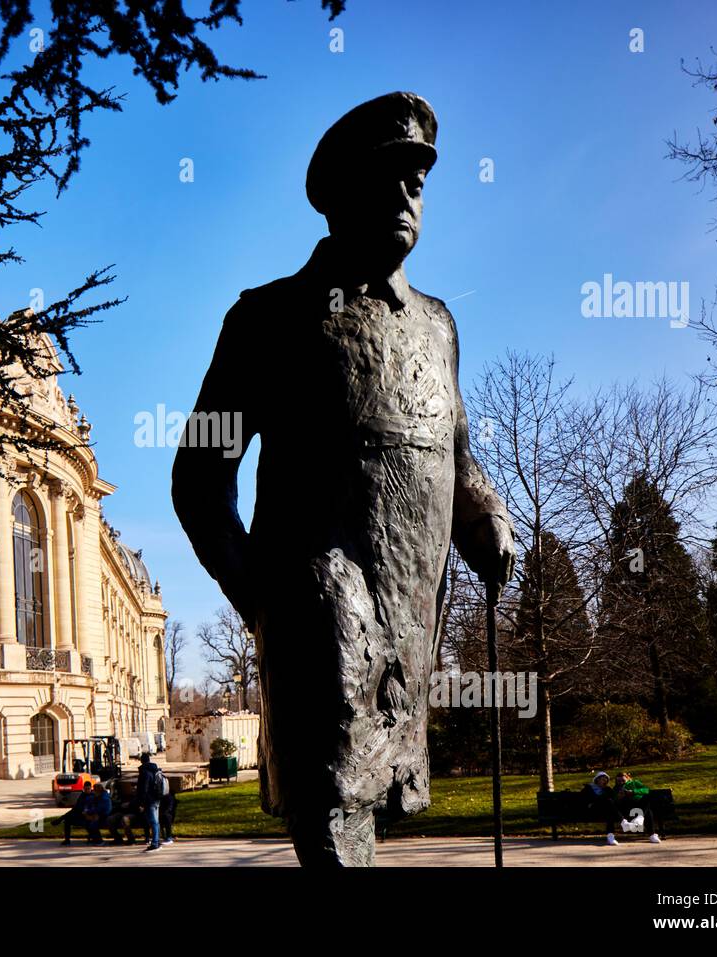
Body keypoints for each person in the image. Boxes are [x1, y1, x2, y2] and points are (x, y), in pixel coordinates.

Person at [171, 91, 516, 867]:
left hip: (407, 622)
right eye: (386, 178)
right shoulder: (270, 319)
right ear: (338, 198)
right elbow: (199, 479)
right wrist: (267, 602)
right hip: (318, 616)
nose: (405, 196)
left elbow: (455, 459)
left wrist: (486, 514)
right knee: (334, 819)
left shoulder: (438, 327)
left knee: (375, 809)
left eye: (417, 182)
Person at [614, 770, 663, 844]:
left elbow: (646, 790)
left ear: (628, 778)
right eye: (618, 781)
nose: (621, 782)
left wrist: (633, 792)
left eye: (623, 780)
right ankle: (651, 833)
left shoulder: (635, 783)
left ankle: (648, 829)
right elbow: (615, 801)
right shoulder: (616, 788)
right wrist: (619, 797)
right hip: (627, 809)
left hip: (639, 805)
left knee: (647, 802)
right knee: (648, 812)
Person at [580, 771, 624, 845]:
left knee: (610, 811)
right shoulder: (589, 788)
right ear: (597, 779)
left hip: (605, 810)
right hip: (593, 811)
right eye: (603, 779)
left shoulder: (608, 789)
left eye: (606, 780)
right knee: (608, 802)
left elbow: (614, 800)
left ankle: (610, 837)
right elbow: (583, 800)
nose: (605, 781)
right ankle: (623, 822)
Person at [135, 752, 166, 852]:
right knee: (156, 822)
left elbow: (143, 789)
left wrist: (141, 803)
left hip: (149, 800)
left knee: (153, 822)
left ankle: (155, 843)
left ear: (141, 760)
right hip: (157, 798)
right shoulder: (155, 770)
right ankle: (156, 840)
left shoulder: (144, 772)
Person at [58, 781, 94, 846]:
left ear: (91, 788)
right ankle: (67, 840)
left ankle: (60, 819)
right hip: (80, 815)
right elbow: (76, 807)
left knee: (68, 817)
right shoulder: (82, 795)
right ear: (83, 788)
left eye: (88, 789)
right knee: (67, 820)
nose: (87, 790)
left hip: (87, 817)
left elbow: (91, 808)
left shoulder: (93, 796)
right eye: (85, 789)